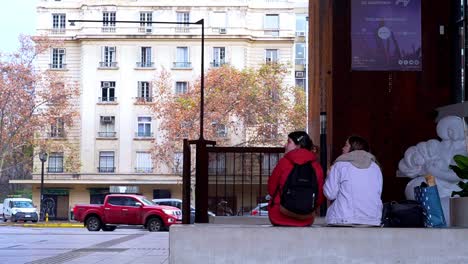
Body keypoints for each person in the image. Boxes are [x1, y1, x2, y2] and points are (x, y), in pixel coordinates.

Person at [267, 131, 324, 226]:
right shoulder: (316, 166)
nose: (285, 145)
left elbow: (271, 190)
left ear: (298, 145)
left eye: (289, 142)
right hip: (306, 218)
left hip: (279, 216)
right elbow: (319, 197)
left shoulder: (284, 162)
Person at [324, 136, 383, 226]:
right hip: (372, 219)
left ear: (354, 147)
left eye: (346, 145)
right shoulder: (375, 167)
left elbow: (330, 194)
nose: (342, 148)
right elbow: (378, 192)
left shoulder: (340, 165)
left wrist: (329, 175)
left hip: (344, 218)